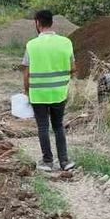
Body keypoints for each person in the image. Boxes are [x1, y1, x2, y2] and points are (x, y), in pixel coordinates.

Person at [23, 10, 76, 172]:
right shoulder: (66, 42)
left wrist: (27, 92)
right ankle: (64, 161)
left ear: (38, 23)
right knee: (58, 126)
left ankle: (47, 161)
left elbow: (26, 73)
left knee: (43, 127)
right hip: (59, 92)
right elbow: (73, 68)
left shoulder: (31, 45)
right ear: (51, 22)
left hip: (38, 94)